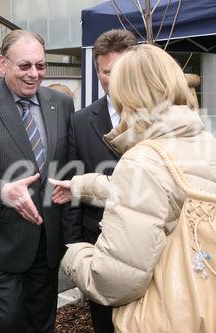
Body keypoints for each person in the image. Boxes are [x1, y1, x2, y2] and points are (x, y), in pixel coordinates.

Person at [51, 44, 216, 330]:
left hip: (166, 316)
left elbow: (114, 281)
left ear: (127, 93)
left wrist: (74, 254)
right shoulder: (205, 143)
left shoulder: (143, 159)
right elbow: (164, 191)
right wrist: (82, 185)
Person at [0, 30, 75, 333]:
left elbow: (69, 163)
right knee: (6, 322)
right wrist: (2, 191)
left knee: (42, 322)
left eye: (41, 66)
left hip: (46, 243)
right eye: (25, 66)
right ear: (2, 64)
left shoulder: (61, 102)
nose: (34, 74)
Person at [65, 29, 137, 333]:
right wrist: (73, 246)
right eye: (107, 72)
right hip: (99, 244)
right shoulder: (80, 121)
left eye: (122, 70)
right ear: (97, 72)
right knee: (105, 325)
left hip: (149, 243)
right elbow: (70, 184)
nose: (115, 78)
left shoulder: (158, 118)